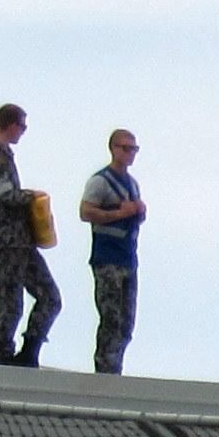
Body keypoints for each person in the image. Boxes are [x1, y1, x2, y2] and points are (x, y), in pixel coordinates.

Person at [0, 104, 63, 367]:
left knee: (50, 296)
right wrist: (31, 196)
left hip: (22, 241)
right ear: (11, 124)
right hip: (6, 241)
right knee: (10, 300)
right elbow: (2, 194)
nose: (23, 132)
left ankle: (30, 350)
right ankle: (4, 355)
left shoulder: (5, 156)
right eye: (22, 126)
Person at [76, 129, 146, 375]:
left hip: (128, 259)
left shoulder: (133, 185)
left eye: (133, 149)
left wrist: (138, 212)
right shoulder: (101, 181)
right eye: (125, 148)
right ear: (113, 149)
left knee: (126, 323)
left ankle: (115, 368)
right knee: (111, 318)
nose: (130, 154)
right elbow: (85, 212)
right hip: (107, 259)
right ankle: (105, 370)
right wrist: (118, 213)